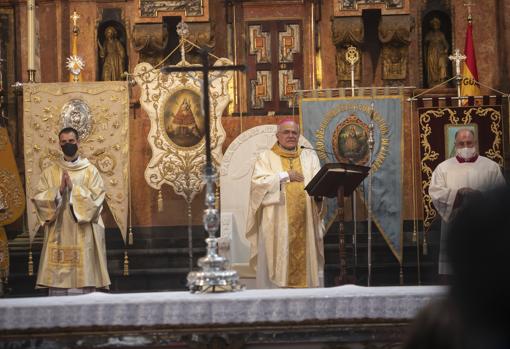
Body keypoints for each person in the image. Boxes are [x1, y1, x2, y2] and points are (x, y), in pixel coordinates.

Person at [245, 119, 325, 288]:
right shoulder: (265, 157)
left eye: (294, 132)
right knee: (276, 266)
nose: (290, 136)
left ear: (298, 135)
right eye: (286, 132)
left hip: (305, 220)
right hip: (276, 223)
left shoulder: (309, 157)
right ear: (277, 136)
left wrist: (320, 197)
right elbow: (258, 184)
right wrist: (284, 176)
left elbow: (319, 182)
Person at [31, 127, 110, 295]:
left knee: (83, 286)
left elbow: (97, 202)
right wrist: (58, 192)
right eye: (64, 142)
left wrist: (74, 189)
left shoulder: (90, 171)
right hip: (58, 233)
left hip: (83, 232)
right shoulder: (50, 172)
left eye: (71, 141)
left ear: (78, 142)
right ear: (59, 144)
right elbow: (39, 199)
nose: (68, 144)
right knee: (59, 291)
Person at [429, 128, 505, 276]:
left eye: (469, 143)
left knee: (484, 270)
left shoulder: (491, 167)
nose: (465, 147)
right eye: (461, 143)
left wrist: (480, 196)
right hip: (454, 223)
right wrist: (457, 195)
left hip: (484, 224)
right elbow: (435, 192)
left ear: (475, 143)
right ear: (455, 144)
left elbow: (501, 195)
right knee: (455, 270)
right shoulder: (443, 168)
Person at [424, 17, 449, 87]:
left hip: (440, 52)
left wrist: (445, 50)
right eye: (434, 24)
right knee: (432, 66)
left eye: (437, 24)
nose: (435, 26)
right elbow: (425, 42)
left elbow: (446, 45)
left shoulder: (441, 34)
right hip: (431, 52)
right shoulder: (429, 34)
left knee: (441, 64)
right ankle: (433, 80)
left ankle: (442, 80)